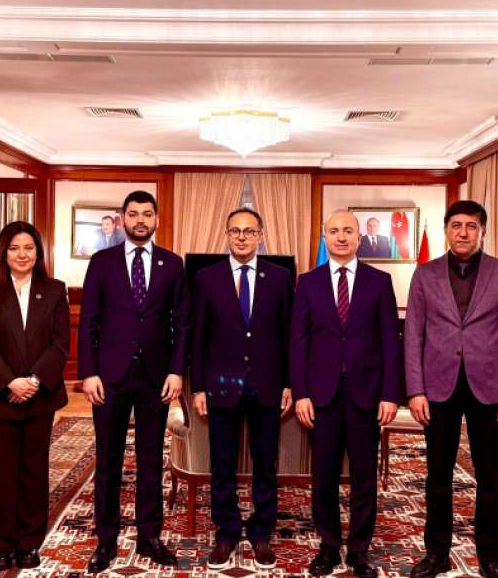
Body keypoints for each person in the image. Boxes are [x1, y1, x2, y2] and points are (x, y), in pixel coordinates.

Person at [403, 199, 498, 578]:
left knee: (490, 477)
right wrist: (415, 390)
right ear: (446, 230)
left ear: (482, 231)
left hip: (489, 388)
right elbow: (413, 336)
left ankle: (490, 557)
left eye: (471, 226)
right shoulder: (424, 274)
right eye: (456, 225)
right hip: (437, 388)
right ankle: (436, 554)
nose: (463, 232)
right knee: (437, 476)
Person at [78, 190, 190, 572]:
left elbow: (182, 324)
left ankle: (149, 536)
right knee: (108, 460)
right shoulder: (102, 262)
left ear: (156, 219)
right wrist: (88, 372)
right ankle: (106, 539)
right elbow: (89, 321)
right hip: (109, 377)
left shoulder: (171, 264)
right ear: (122, 218)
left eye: (147, 214)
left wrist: (177, 371)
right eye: (133, 213)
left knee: (150, 460)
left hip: (155, 378)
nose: (140, 220)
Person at [291, 210, 402, 578]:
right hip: (320, 396)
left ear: (358, 237)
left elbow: (390, 340)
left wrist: (390, 393)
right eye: (334, 231)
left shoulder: (379, 281)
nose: (341, 237)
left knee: (364, 476)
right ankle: (328, 545)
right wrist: (301, 393)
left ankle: (358, 550)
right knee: (323, 475)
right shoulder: (308, 283)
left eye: (348, 231)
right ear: (325, 237)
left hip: (365, 395)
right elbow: (298, 341)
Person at [191, 208, 293, 569]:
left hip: (267, 385)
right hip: (221, 387)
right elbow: (198, 336)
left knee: (266, 464)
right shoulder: (207, 278)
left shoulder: (280, 278)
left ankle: (261, 532)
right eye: (235, 231)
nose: (242, 237)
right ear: (226, 235)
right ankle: (227, 531)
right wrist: (198, 388)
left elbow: (289, 335)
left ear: (261, 236)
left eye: (249, 231)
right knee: (222, 464)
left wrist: (289, 383)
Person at [0, 221, 70, 575]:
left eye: (29, 248)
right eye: (14, 248)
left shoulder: (54, 290)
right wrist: (10, 382)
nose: (22, 254)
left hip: (40, 397)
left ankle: (28, 542)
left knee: (33, 470)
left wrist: (34, 380)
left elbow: (60, 343)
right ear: (3, 253)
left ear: (38, 252)